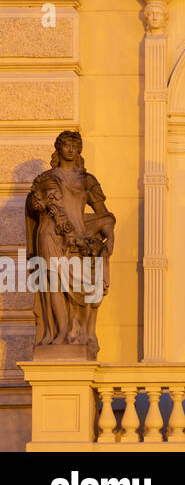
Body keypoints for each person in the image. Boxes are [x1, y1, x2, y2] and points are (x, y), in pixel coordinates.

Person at [24, 130, 115, 356]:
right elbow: (33, 209)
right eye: (67, 145)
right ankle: (61, 332)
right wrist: (38, 203)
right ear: (59, 147)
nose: (71, 150)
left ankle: (75, 332)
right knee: (53, 281)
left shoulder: (87, 180)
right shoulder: (45, 180)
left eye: (76, 146)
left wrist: (107, 235)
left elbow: (104, 214)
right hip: (49, 234)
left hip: (77, 240)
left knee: (78, 287)